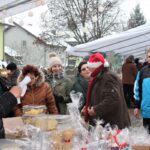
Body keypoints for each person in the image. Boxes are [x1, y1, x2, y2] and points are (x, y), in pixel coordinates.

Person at [84, 53, 130, 129]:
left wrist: (96, 109)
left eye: (89, 67)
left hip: (113, 124)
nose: (88, 69)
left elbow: (113, 98)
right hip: (108, 122)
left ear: (96, 67)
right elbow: (99, 96)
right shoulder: (100, 76)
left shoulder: (107, 77)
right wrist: (89, 107)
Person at [134, 48, 150, 134]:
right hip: (147, 111)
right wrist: (136, 106)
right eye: (149, 56)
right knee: (147, 136)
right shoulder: (142, 71)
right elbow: (138, 90)